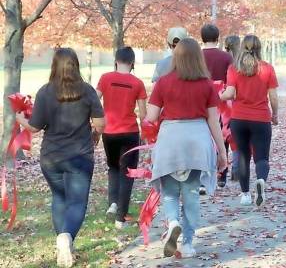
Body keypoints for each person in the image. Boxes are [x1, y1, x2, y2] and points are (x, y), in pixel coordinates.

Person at [16, 48, 105, 268]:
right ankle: (66, 238)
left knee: (59, 198)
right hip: (80, 156)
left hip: (51, 157)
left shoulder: (45, 92)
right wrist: (95, 134)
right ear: (76, 65)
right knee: (77, 201)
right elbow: (100, 123)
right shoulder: (87, 91)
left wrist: (20, 119)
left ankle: (63, 242)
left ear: (54, 66)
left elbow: (35, 127)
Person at [145, 38, 227, 258]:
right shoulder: (207, 84)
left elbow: (151, 117)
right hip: (197, 140)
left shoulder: (163, 82)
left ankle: (173, 224)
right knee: (190, 194)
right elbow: (213, 121)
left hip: (171, 138)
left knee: (170, 192)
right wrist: (222, 151)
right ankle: (188, 244)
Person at [220, 34, 279, 207]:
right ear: (259, 48)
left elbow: (229, 93)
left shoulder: (234, 68)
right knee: (261, 158)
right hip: (261, 118)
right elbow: (273, 97)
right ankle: (260, 180)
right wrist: (274, 114)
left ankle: (245, 195)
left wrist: (220, 95)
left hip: (239, 118)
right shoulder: (267, 68)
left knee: (244, 156)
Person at [96, 47, 147, 228]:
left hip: (109, 132)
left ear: (116, 60)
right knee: (127, 172)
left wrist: (96, 124)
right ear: (132, 63)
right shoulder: (138, 83)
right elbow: (143, 113)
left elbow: (95, 102)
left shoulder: (105, 78)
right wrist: (147, 133)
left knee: (113, 167)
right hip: (129, 132)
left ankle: (113, 203)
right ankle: (120, 217)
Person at [201, 24, 233, 188]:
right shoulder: (226, 57)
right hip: (221, 98)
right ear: (218, 37)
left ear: (202, 38)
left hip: (201, 97)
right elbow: (231, 79)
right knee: (222, 134)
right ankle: (222, 174)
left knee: (203, 134)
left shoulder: (197, 56)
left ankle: (203, 174)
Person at [224, 35, 241, 181]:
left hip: (220, 101)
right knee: (235, 140)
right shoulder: (240, 62)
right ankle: (236, 169)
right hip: (235, 104)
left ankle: (221, 172)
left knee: (221, 138)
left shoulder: (224, 58)